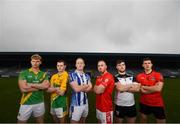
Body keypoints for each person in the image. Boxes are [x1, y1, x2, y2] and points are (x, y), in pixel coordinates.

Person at [17, 54, 50, 123]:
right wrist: (40, 87)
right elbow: (23, 89)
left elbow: (46, 86)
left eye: (37, 61)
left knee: (40, 121)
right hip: (26, 103)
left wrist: (31, 84)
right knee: (21, 122)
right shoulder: (24, 73)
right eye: (33, 61)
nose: (35, 63)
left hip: (39, 102)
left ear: (40, 62)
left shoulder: (44, 74)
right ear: (31, 62)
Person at [136, 57, 166, 123]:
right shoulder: (139, 76)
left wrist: (143, 87)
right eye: (145, 63)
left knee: (161, 121)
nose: (147, 65)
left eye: (149, 63)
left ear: (151, 64)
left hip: (157, 103)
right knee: (143, 119)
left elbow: (158, 89)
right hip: (144, 102)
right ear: (142, 65)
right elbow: (138, 89)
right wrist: (153, 88)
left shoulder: (158, 75)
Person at [69, 58, 92, 123]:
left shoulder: (87, 75)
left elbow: (90, 87)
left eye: (81, 63)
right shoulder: (72, 75)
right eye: (78, 63)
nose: (80, 64)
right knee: (74, 122)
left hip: (85, 103)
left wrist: (81, 87)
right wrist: (85, 86)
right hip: (76, 104)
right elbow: (76, 89)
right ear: (76, 65)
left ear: (84, 64)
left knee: (83, 121)